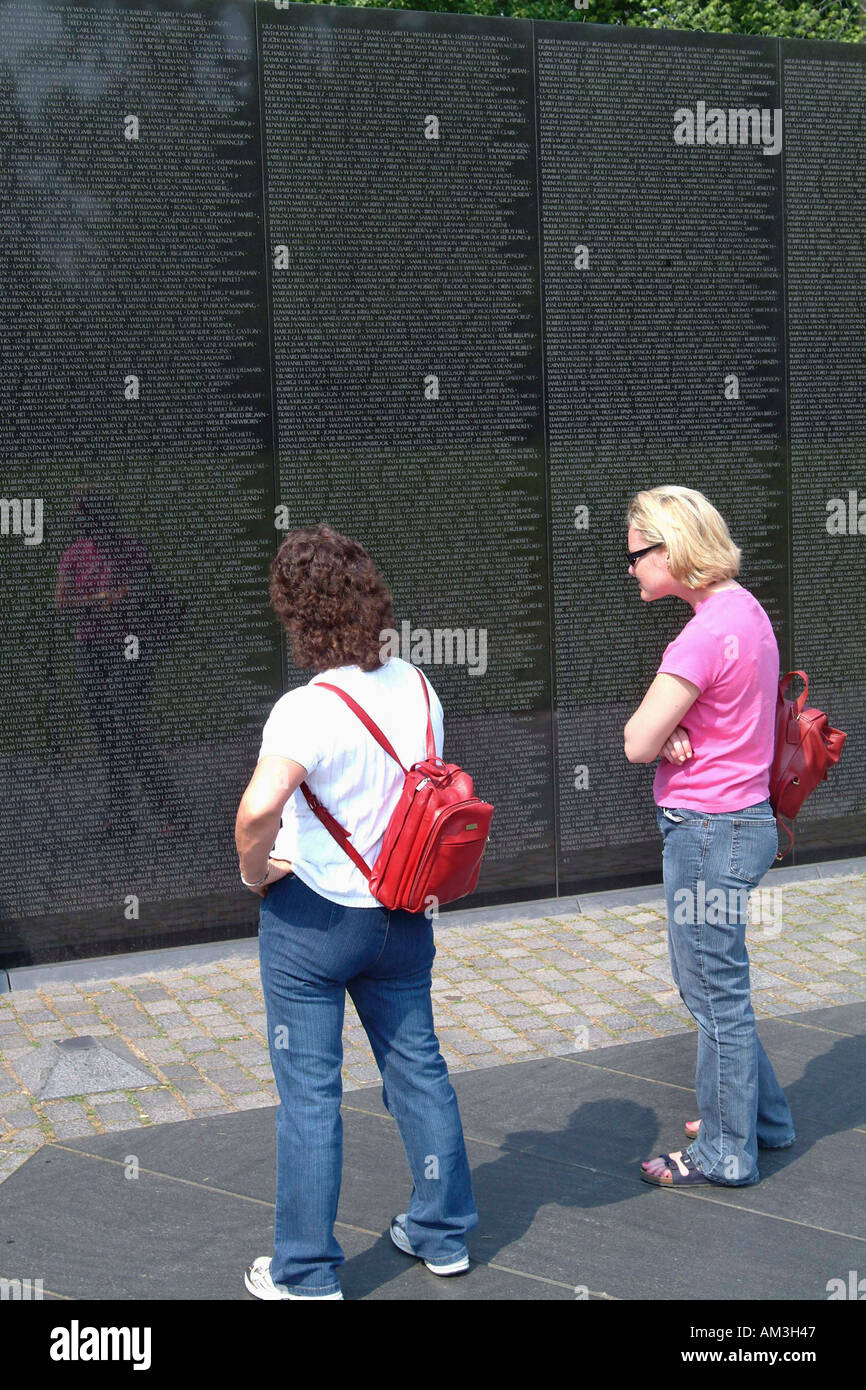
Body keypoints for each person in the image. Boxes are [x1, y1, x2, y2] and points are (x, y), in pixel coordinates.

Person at [235, 523, 478, 1299]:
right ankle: (442, 1234)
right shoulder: (419, 687)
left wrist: (254, 871)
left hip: (314, 921)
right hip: (403, 913)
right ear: (372, 598)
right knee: (419, 1068)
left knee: (310, 1095)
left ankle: (305, 1272)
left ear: (295, 615)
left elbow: (256, 811)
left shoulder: (305, 709)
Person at [622, 485, 795, 1187]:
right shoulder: (746, 612)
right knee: (716, 985)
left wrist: (663, 743)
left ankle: (726, 1150)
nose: (630, 567)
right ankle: (764, 1118)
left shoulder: (697, 636)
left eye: (637, 553)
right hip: (745, 822)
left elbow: (636, 739)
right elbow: (724, 720)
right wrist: (677, 740)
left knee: (711, 992)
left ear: (672, 550)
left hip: (705, 833)